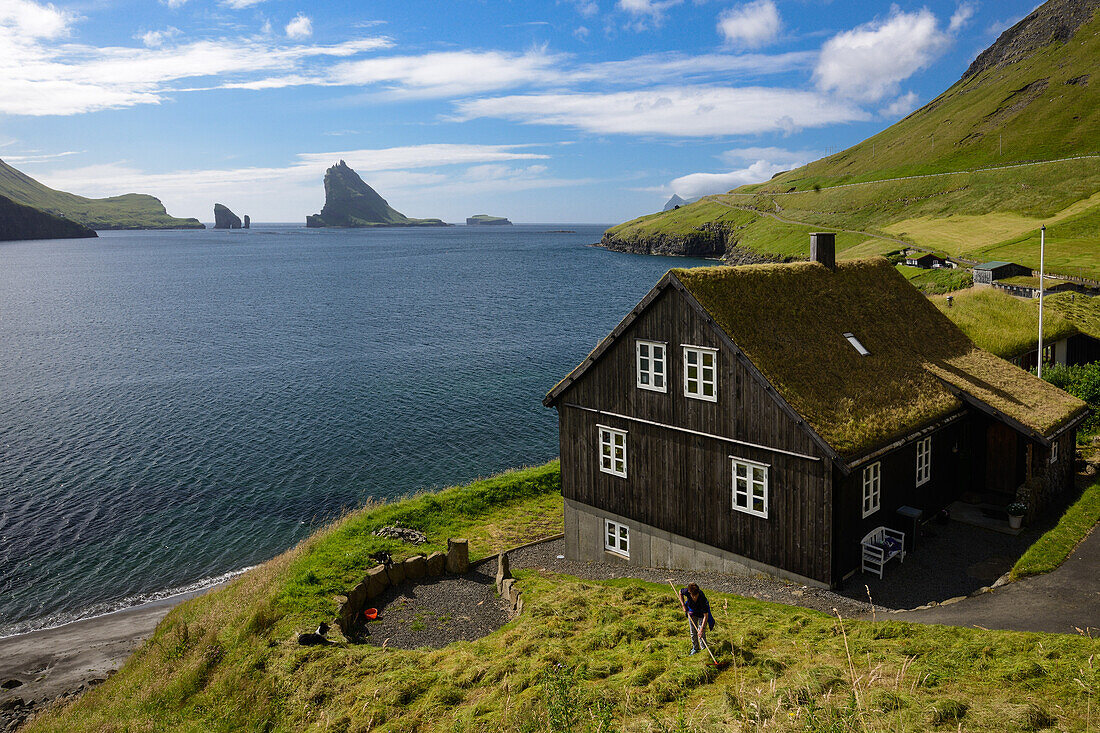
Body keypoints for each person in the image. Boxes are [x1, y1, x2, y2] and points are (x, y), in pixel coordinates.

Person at [678, 583, 714, 655]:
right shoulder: (686, 591)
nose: (694, 597)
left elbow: (705, 616)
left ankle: (704, 651)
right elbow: (680, 592)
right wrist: (683, 605)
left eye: (696, 595)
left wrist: (701, 629)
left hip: (701, 613)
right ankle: (695, 648)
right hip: (691, 611)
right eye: (693, 596)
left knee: (702, 633)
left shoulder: (702, 599)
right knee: (693, 632)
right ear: (689, 592)